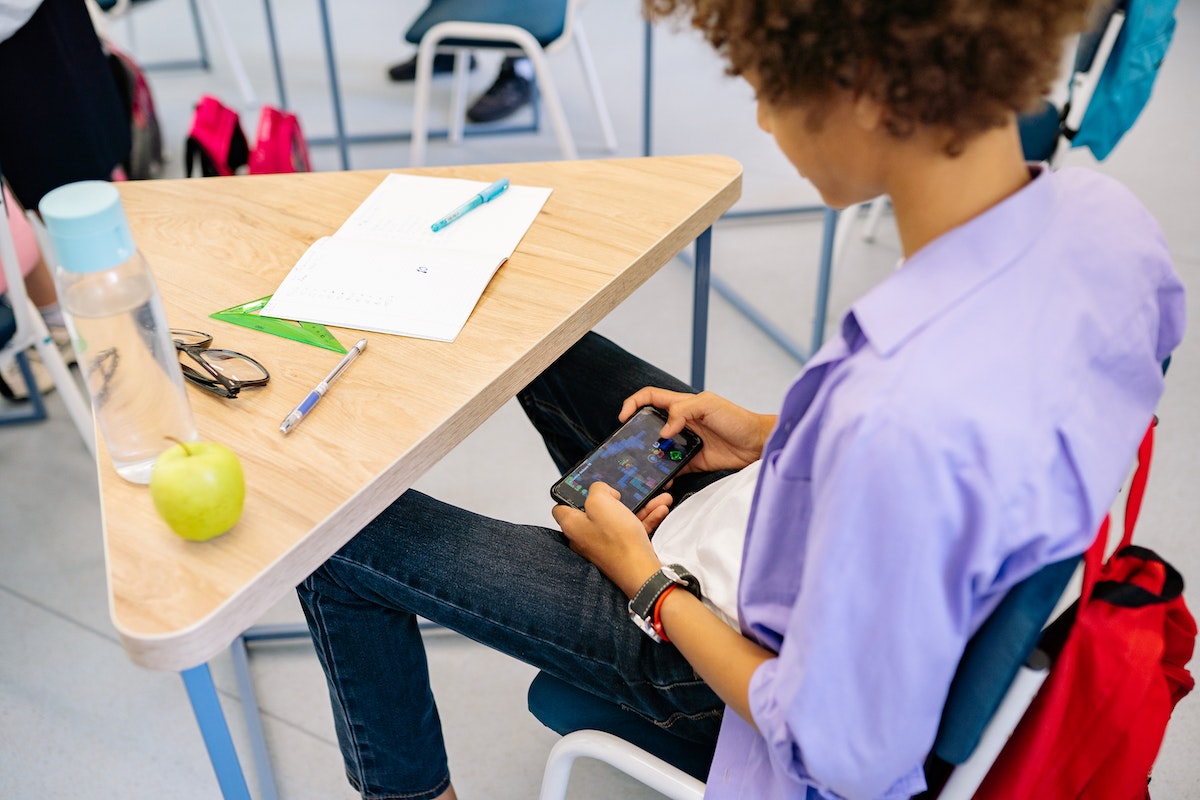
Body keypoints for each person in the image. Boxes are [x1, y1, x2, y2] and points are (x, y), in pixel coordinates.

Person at [299, 1, 1187, 798]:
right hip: (796, 528)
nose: (762, 119)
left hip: (727, 656)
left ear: (866, 92)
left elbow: (845, 755)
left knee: (328, 537)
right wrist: (779, 438)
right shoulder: (1107, 227)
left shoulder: (899, 420)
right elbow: (990, 456)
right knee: (534, 327)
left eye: (770, 88)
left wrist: (645, 584)